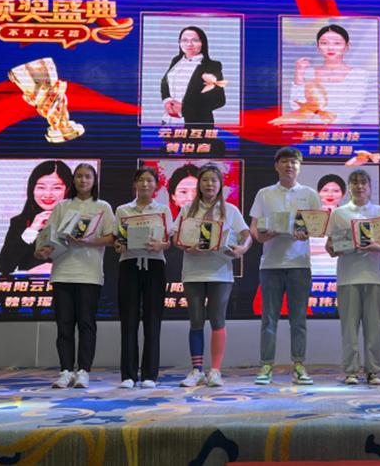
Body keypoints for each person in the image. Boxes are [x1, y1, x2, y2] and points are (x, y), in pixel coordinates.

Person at [34, 163, 114, 389]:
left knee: (87, 325)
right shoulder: (62, 206)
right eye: (79, 176)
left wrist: (88, 241)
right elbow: (48, 235)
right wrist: (41, 252)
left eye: (87, 176)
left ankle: (84, 371)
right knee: (64, 326)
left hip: (89, 274)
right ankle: (66, 371)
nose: (83, 180)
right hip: (62, 272)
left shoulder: (103, 207)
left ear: (94, 180)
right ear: (73, 180)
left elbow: (112, 238)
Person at [172, 163, 252, 387]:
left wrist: (242, 250)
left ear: (220, 184)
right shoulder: (188, 210)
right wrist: (187, 248)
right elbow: (175, 238)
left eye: (214, 180)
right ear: (199, 184)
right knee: (196, 321)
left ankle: (215, 371)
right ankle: (197, 371)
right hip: (193, 272)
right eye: (205, 180)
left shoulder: (231, 210)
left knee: (217, 321)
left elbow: (247, 235)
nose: (210, 184)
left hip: (221, 273)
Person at [249, 146, 321, 385]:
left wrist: (307, 234)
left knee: (298, 319)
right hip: (270, 264)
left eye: (294, 162)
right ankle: (266, 366)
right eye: (285, 161)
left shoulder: (309, 194)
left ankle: (299, 366)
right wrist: (262, 236)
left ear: (299, 167)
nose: (289, 165)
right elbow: (254, 228)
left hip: (300, 264)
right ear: (276, 166)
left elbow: (317, 226)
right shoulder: (264, 194)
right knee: (269, 319)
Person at [325, 169, 380, 385]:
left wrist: (378, 246)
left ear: (370, 187)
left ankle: (373, 371)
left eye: (363, 182)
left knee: (374, 327)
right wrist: (334, 249)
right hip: (347, 276)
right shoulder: (338, 213)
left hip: (374, 275)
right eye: (355, 182)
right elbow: (330, 245)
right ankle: (351, 371)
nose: (359, 186)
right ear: (349, 187)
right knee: (349, 328)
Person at [114, 167, 173, 389]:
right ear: (135, 183)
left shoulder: (163, 210)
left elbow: (167, 241)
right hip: (129, 264)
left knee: (152, 320)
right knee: (128, 321)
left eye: (150, 180)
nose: (145, 184)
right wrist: (119, 245)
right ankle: (128, 375)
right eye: (141, 180)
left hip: (155, 266)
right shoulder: (123, 210)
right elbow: (118, 239)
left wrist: (161, 245)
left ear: (156, 185)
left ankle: (150, 375)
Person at [0, 160, 72, 275]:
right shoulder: (19, 222)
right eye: (41, 187)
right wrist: (32, 230)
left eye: (56, 188)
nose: (48, 194)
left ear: (67, 190)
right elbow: (4, 267)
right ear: (32, 189)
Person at [288, 24, 368, 125]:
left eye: (337, 43)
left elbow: (351, 111)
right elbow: (296, 106)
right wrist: (299, 76)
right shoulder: (307, 73)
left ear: (347, 45)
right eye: (324, 43)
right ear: (318, 45)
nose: (330, 48)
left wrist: (314, 114)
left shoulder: (359, 74)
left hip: (342, 130)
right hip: (310, 130)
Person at [161, 26, 226, 127]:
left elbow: (218, 100)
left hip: (195, 124)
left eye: (194, 40)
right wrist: (167, 100)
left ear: (202, 42)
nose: (189, 44)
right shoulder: (176, 60)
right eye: (184, 40)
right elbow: (165, 82)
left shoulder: (211, 66)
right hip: (168, 121)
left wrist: (184, 109)